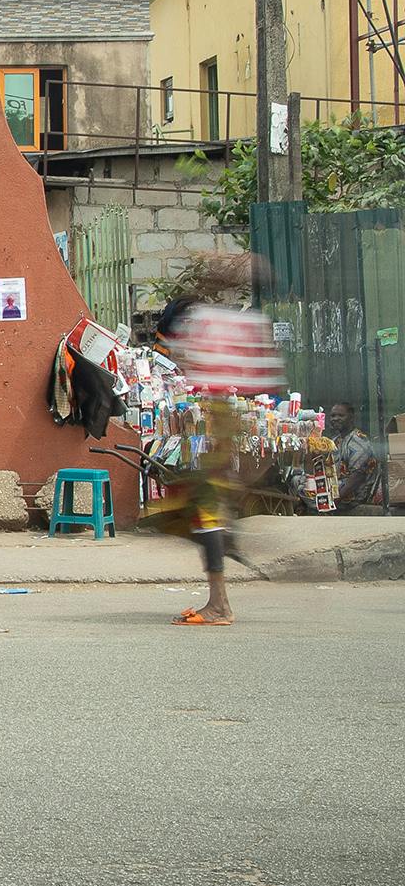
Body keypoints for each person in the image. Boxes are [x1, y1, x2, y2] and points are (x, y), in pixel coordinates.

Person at [150, 256, 284, 626]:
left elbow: (206, 374)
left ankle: (220, 603)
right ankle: (224, 558)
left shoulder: (215, 322)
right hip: (221, 423)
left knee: (203, 513)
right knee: (196, 512)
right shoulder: (242, 322)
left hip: (220, 423)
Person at [329, 402, 384, 513]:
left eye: (341, 415)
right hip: (340, 488)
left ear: (351, 418)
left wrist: (333, 501)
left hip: (357, 493)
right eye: (333, 416)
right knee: (301, 481)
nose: (335, 418)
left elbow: (356, 478)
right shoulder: (335, 441)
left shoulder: (359, 441)